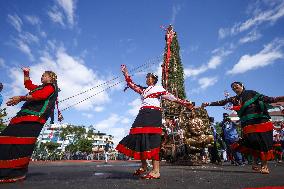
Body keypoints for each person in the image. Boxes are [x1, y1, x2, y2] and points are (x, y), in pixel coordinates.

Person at [116, 64, 193, 179]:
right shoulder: (143, 90)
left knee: (153, 139)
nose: (147, 78)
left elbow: (171, 97)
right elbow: (131, 84)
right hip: (143, 113)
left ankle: (156, 171)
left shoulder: (159, 88)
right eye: (146, 77)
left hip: (153, 114)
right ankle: (144, 166)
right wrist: (125, 73)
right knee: (137, 136)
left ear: (154, 79)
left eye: (149, 77)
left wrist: (183, 102)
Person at [202, 81, 284, 174]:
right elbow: (221, 102)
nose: (234, 88)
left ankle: (264, 165)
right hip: (247, 124)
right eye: (233, 88)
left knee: (262, 143)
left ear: (242, 86)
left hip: (261, 122)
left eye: (236, 86)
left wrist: (280, 98)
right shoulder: (234, 99)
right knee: (252, 143)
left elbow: (267, 99)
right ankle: (255, 162)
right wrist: (208, 103)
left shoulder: (251, 93)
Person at [0, 67, 60, 183]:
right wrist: (26, 72)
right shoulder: (39, 87)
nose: (42, 77)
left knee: (20, 143)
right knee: (7, 139)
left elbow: (41, 96)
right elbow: (28, 84)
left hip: (34, 118)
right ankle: (7, 171)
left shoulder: (51, 87)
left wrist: (21, 98)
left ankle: (14, 173)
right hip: (24, 117)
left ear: (51, 77)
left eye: (44, 75)